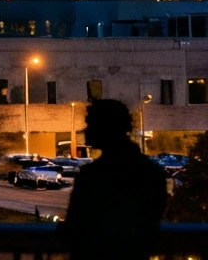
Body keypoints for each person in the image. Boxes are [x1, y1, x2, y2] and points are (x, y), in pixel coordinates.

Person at [61, 100, 167, 260]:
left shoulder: (93, 176)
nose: (85, 130)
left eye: (90, 124)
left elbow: (74, 226)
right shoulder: (151, 172)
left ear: (105, 128)